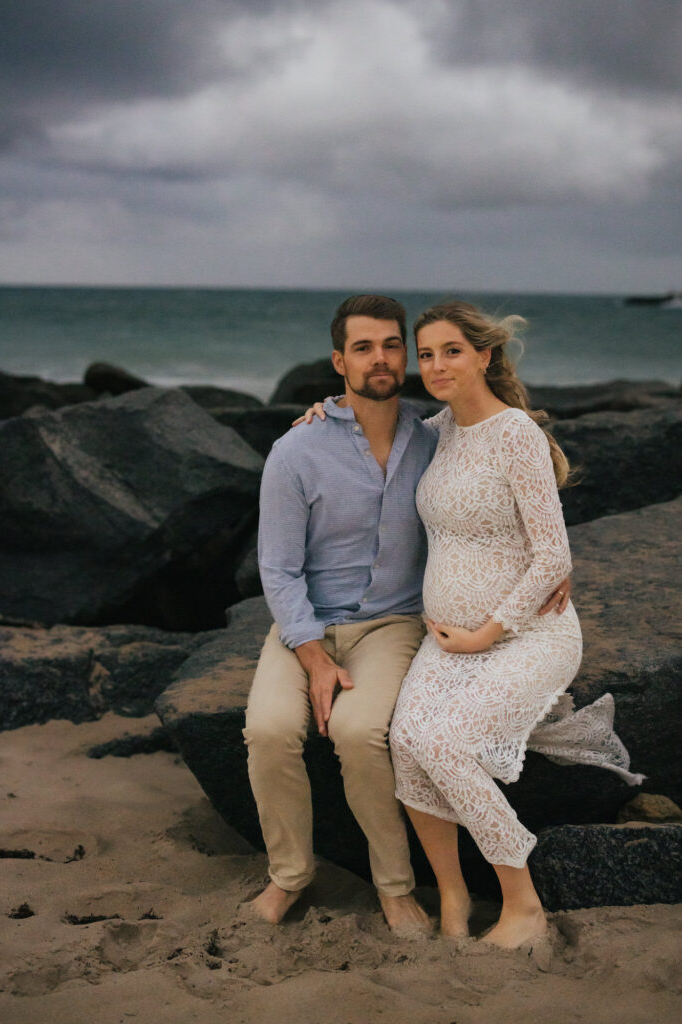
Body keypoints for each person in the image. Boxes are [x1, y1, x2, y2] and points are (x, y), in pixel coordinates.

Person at [244, 294, 570, 931]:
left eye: (394, 345)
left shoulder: (432, 433)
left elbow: (511, 464)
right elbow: (278, 569)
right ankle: (289, 875)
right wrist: (311, 656)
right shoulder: (298, 450)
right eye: (363, 348)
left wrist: (558, 561)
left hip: (391, 626)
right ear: (340, 360)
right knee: (267, 731)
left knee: (363, 735)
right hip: (304, 625)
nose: (382, 358)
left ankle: (396, 889)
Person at [387, 301, 642, 949]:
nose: (436, 365)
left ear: (484, 356)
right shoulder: (434, 431)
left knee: (445, 743)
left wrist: (487, 632)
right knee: (405, 743)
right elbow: (363, 428)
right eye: (426, 354)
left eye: (451, 351)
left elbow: (553, 555)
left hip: (527, 634)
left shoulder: (515, 435)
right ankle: (449, 896)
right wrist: (318, 415)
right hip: (449, 642)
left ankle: (521, 904)